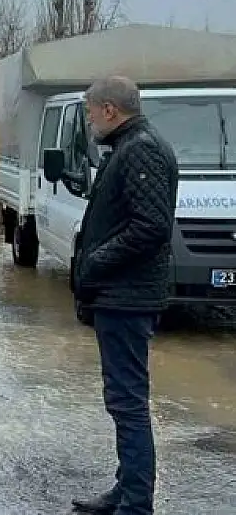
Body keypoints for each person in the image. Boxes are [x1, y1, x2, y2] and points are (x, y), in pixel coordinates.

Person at [70, 76, 177, 515]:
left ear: (110, 110)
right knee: (123, 399)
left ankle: (136, 503)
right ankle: (126, 489)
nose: (91, 120)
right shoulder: (131, 146)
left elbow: (150, 228)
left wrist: (95, 261)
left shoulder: (142, 149)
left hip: (128, 295)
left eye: (92, 111)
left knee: (128, 402)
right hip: (120, 293)